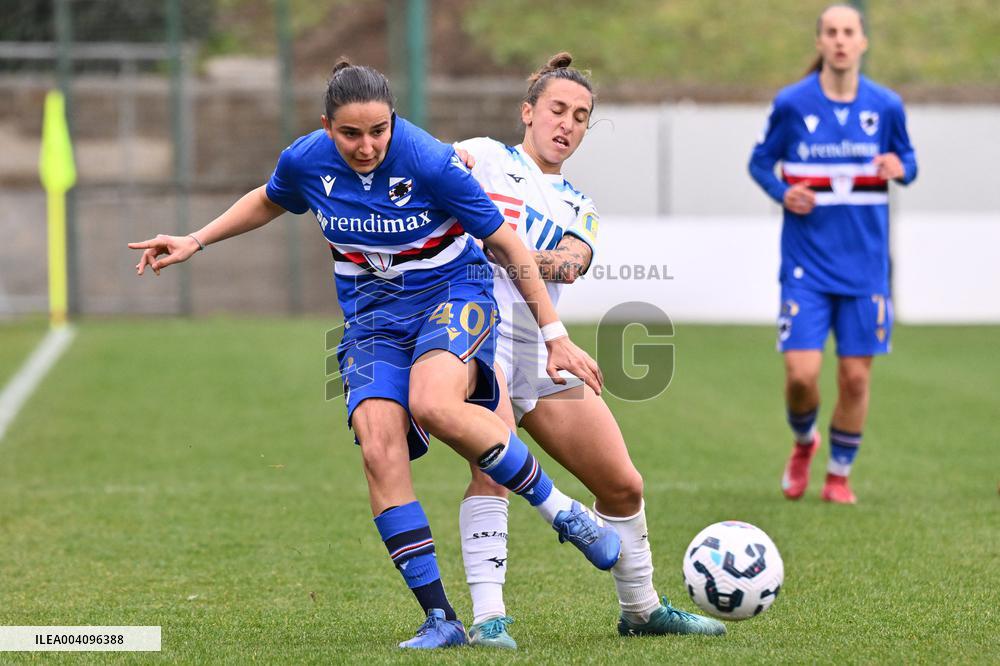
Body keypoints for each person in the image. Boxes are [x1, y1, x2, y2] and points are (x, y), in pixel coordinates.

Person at [128, 59, 619, 650]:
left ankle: (563, 512)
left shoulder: (429, 160)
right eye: (351, 134)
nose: (366, 146)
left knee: (434, 403)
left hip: (451, 294)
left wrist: (554, 333)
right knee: (378, 445)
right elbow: (269, 198)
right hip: (371, 318)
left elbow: (505, 241)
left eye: (378, 131)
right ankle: (441, 619)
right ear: (326, 128)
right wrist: (196, 239)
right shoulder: (306, 159)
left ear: (395, 121)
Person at [452, 53, 726, 649]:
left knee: (623, 484)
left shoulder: (580, 203)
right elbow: (436, 179)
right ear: (527, 112)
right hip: (478, 335)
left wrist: (509, 251)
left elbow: (571, 263)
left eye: (580, 116)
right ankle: (489, 620)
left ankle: (642, 609)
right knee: (491, 470)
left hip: (545, 351)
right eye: (557, 110)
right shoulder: (486, 158)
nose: (568, 125)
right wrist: (454, 168)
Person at [748, 5, 917, 504]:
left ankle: (838, 476)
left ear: (862, 42)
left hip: (866, 269)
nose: (841, 40)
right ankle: (804, 442)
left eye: (849, 32)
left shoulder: (886, 106)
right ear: (820, 42)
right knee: (801, 377)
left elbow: (910, 162)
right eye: (831, 33)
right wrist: (783, 192)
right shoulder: (793, 103)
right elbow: (760, 163)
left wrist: (896, 165)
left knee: (855, 377)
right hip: (807, 267)